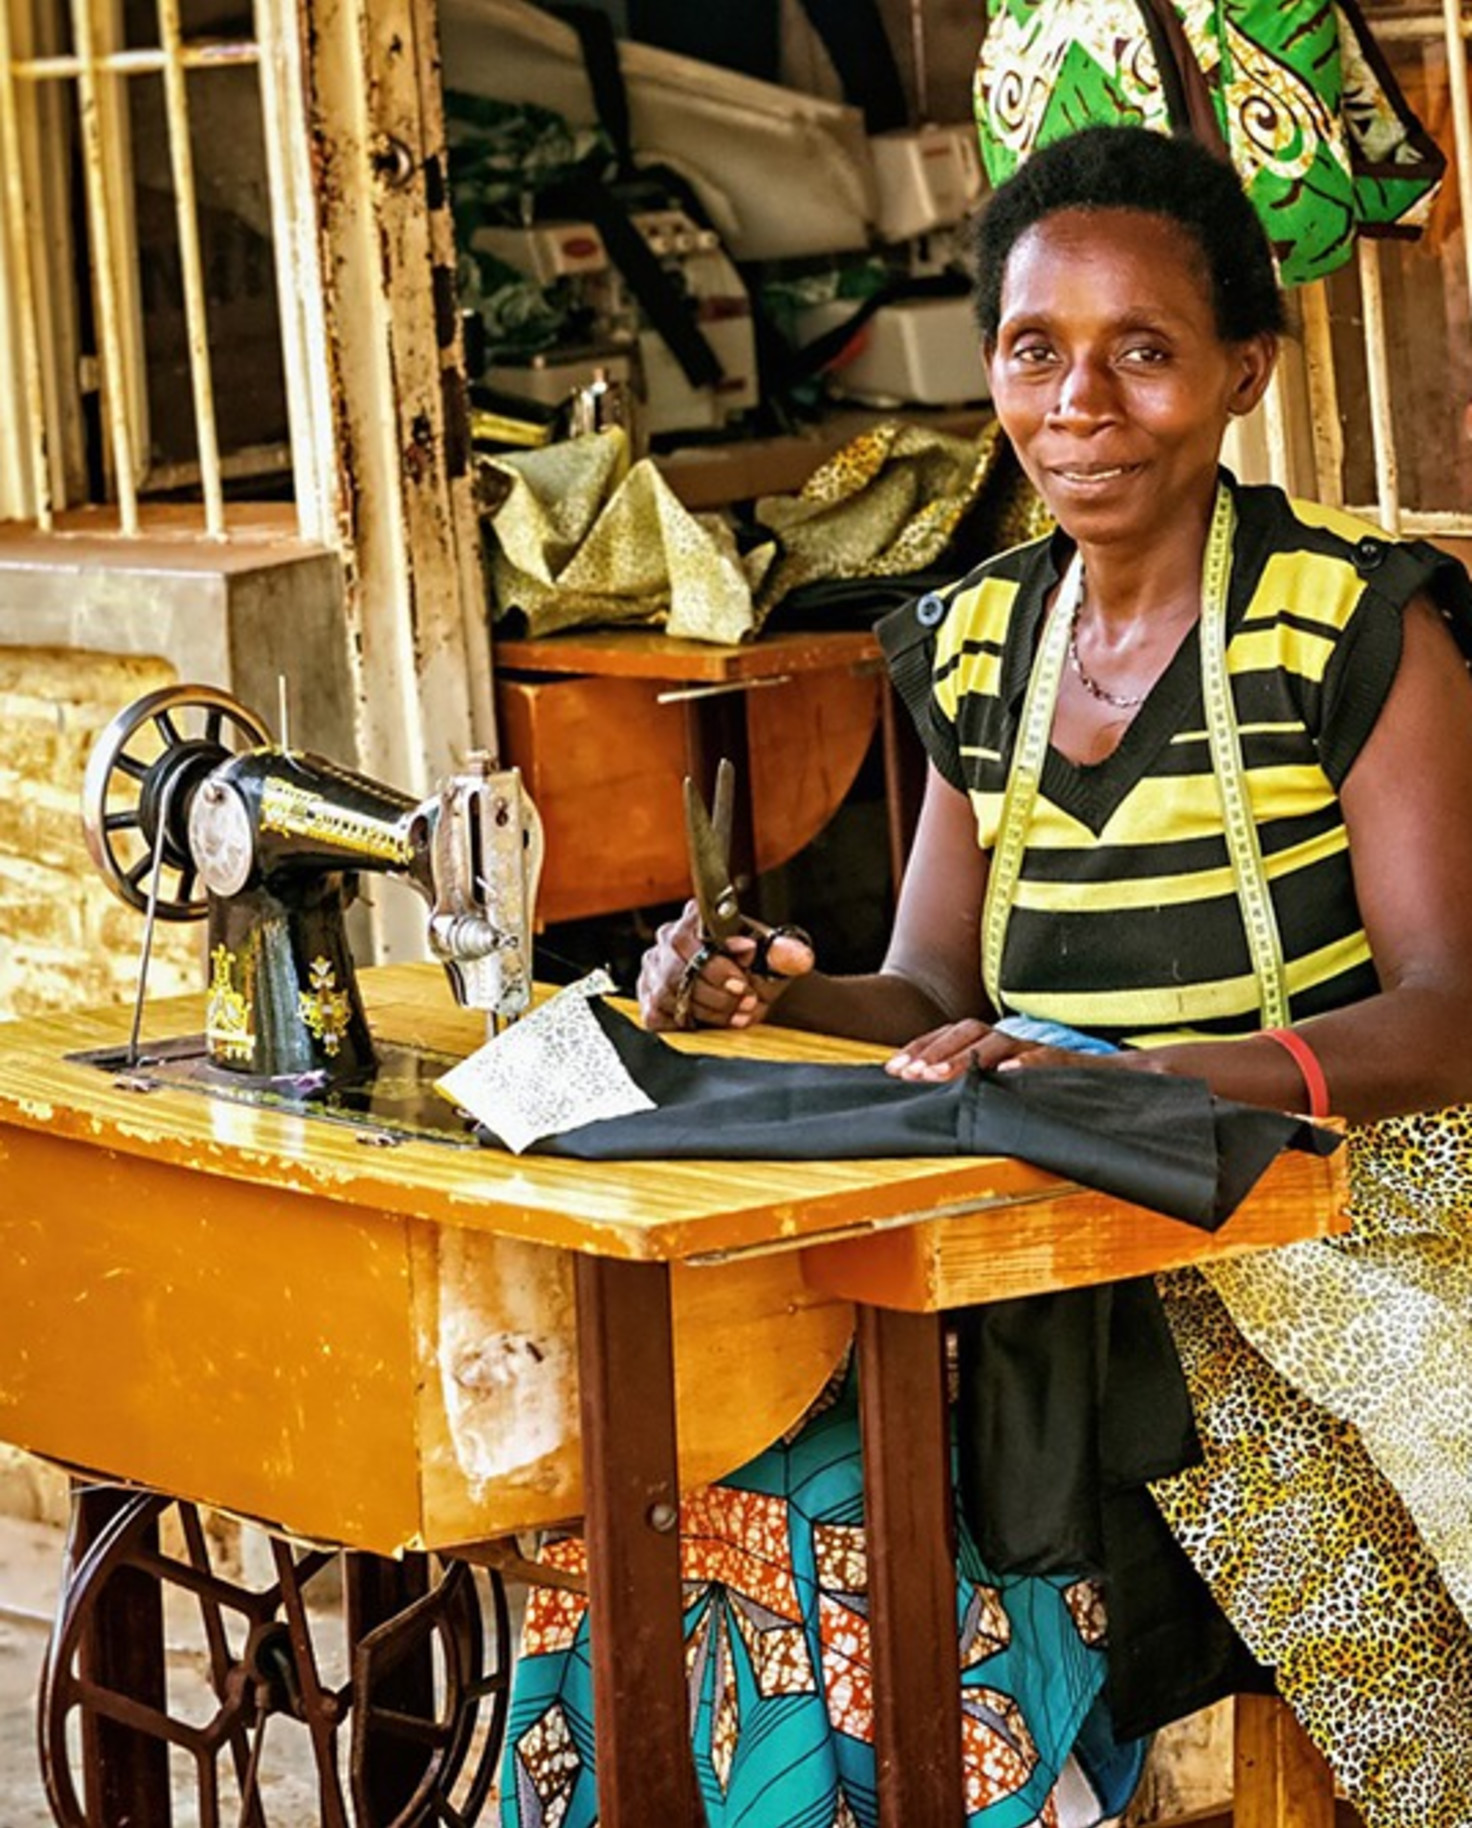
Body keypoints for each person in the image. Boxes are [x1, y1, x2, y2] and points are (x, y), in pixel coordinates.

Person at [502, 125, 1472, 1828]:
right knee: (718, 1491)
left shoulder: (1357, 628)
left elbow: (1454, 1013)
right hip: (1050, 1244)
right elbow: (928, 985)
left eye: (1144, 351)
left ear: (1244, 370)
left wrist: (1159, 1084)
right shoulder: (980, 639)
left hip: (1330, 1239)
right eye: (1037, 350)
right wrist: (771, 987)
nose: (1080, 402)